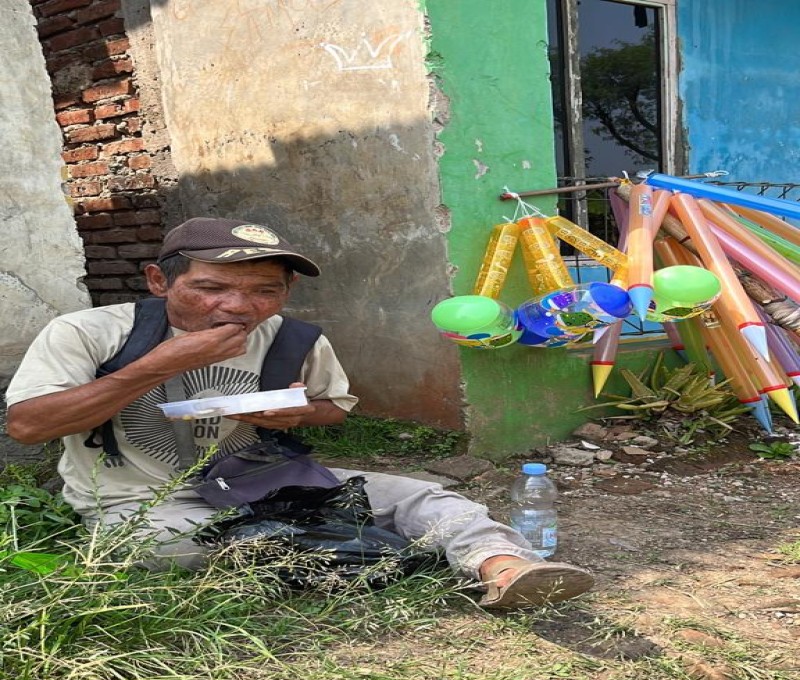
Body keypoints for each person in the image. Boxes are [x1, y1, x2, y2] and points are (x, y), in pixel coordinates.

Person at [5, 217, 594, 608]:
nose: (239, 307)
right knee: (159, 548)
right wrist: (158, 364)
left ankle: (505, 569)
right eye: (211, 288)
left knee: (427, 496)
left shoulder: (293, 338)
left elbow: (331, 411)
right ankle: (348, 549)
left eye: (265, 290)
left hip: (264, 483)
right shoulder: (88, 333)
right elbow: (29, 426)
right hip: (136, 501)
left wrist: (297, 416)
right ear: (161, 280)